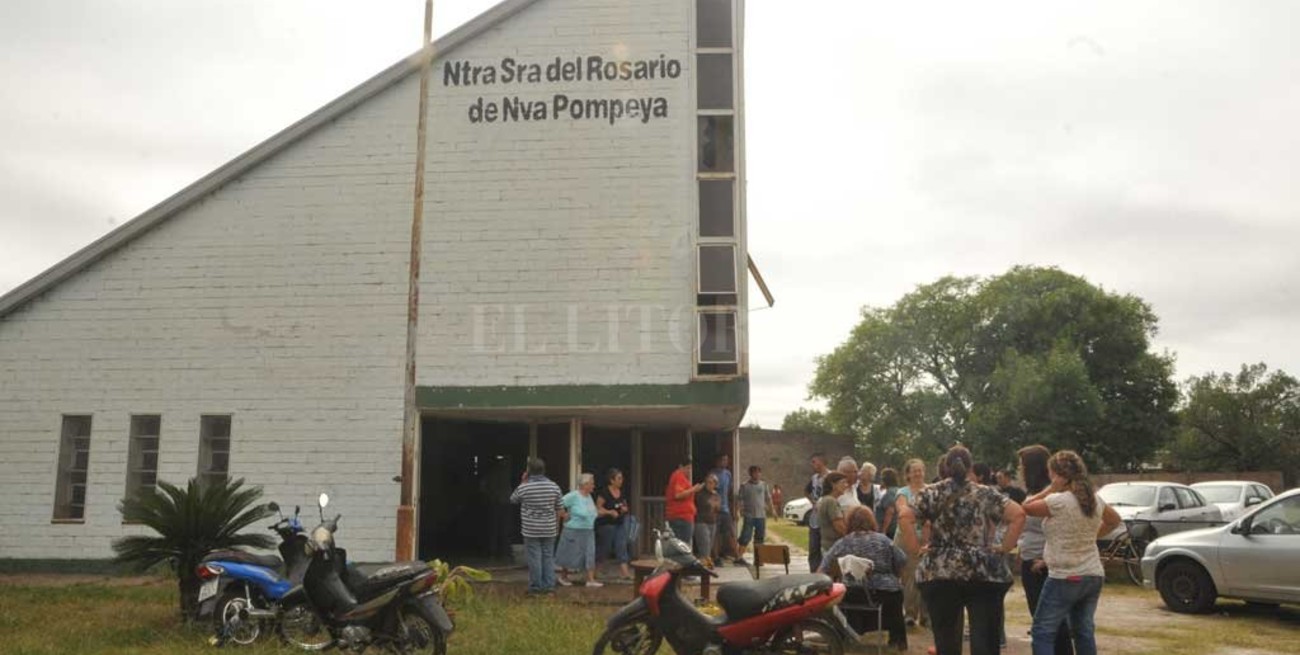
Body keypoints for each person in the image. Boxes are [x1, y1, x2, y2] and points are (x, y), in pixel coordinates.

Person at [897, 446, 1026, 655]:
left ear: (946, 467)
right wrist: (1004, 547)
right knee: (985, 639)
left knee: (946, 639)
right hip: (982, 572)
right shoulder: (985, 493)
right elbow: (1018, 514)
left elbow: (904, 516)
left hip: (940, 570)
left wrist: (915, 549)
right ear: (969, 467)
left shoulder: (931, 492)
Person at [1023, 451, 1121, 655]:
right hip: (1092, 573)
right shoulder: (1095, 500)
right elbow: (1114, 521)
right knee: (1083, 631)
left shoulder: (1058, 501)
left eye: (1051, 473)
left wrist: (1051, 489)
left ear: (1058, 475)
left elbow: (1026, 507)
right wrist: (1091, 536)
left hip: (1065, 576)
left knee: (1042, 631)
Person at [818, 507, 909, 651]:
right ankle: (898, 640)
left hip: (853, 593)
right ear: (871, 521)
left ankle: (845, 635)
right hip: (885, 594)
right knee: (896, 594)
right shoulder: (883, 540)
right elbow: (902, 561)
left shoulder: (843, 542)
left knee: (841, 600)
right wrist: (898, 578)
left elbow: (823, 567)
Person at [1016, 445, 1073, 655]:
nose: (1019, 470)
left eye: (1021, 466)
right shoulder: (1035, 492)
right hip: (1031, 558)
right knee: (1045, 622)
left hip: (1043, 564)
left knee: (1049, 625)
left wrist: (1047, 558)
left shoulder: (1053, 495)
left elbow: (1062, 529)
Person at [510, 457, 564, 595]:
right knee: (548, 557)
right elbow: (559, 508)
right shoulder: (554, 486)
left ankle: (535, 588)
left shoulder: (525, 487)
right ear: (544, 470)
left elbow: (513, 499)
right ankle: (549, 587)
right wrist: (557, 526)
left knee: (534, 558)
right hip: (549, 528)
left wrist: (523, 481)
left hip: (531, 529)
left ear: (529, 471)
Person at [894, 458, 930, 628]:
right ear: (907, 474)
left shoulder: (931, 490)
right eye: (914, 470)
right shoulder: (903, 492)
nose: (918, 473)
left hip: (927, 538)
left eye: (920, 470)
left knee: (928, 577)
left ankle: (926, 614)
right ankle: (910, 613)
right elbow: (902, 511)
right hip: (906, 538)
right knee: (910, 577)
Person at [556, 472, 602, 587]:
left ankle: (591, 579)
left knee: (590, 553)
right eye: (592, 483)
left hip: (588, 530)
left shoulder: (589, 497)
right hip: (573, 530)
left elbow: (592, 512)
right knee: (569, 553)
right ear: (584, 484)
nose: (593, 486)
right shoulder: (574, 495)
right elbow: (558, 504)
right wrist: (564, 515)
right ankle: (563, 576)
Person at [595, 467, 632, 579]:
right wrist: (609, 512)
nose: (621, 480)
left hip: (620, 523)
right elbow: (597, 509)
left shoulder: (622, 491)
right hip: (606, 525)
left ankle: (625, 574)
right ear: (612, 480)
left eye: (622, 478)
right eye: (619, 478)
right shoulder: (604, 492)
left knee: (621, 546)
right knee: (605, 549)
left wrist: (625, 509)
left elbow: (625, 504)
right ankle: (595, 571)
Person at [735, 465, 776, 565]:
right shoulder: (744, 486)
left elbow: (768, 498)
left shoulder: (763, 485)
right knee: (745, 536)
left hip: (761, 516)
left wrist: (773, 510)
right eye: (754, 472)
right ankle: (739, 558)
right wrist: (737, 511)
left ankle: (758, 559)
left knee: (760, 538)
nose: (757, 474)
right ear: (750, 474)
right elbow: (739, 500)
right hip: (749, 515)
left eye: (758, 472)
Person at [666, 457, 704, 547]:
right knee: (682, 544)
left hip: (682, 515)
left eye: (690, 468)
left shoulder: (679, 477)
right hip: (681, 516)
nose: (689, 471)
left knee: (680, 543)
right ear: (680, 466)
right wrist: (693, 489)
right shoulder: (678, 476)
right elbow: (678, 495)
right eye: (687, 468)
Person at [710, 454, 739, 563]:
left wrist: (734, 508)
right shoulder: (712, 474)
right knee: (715, 534)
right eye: (723, 460)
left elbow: (729, 491)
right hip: (715, 510)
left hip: (726, 509)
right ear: (718, 461)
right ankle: (716, 557)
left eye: (726, 460)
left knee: (731, 533)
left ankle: (737, 557)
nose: (725, 462)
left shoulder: (728, 474)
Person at [805, 453, 831, 572]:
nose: (812, 464)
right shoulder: (814, 478)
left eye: (814, 462)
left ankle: (826, 572)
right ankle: (813, 572)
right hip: (815, 518)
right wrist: (813, 502)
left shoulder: (831, 476)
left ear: (821, 462)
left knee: (826, 547)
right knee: (813, 547)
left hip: (827, 517)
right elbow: (806, 491)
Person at [694, 474, 723, 567]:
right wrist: (713, 503)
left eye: (712, 483)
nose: (709, 484)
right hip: (701, 522)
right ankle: (705, 567)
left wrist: (716, 504)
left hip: (712, 522)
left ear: (715, 484)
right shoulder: (700, 494)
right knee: (704, 547)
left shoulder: (717, 494)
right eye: (708, 482)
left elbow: (718, 508)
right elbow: (704, 505)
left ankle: (704, 566)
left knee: (709, 547)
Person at [817, 472, 850, 552]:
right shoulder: (831, 501)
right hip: (833, 547)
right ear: (833, 485)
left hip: (827, 546)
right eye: (843, 482)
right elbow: (839, 527)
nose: (846, 485)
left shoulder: (824, 500)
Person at [876, 467, 901, 539]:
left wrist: (884, 530)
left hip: (889, 531)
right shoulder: (898, 491)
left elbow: (890, 512)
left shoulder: (890, 493)